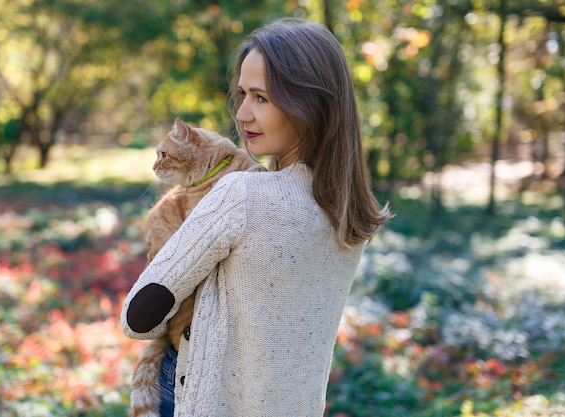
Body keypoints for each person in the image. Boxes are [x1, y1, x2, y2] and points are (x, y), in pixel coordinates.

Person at [121, 18, 391, 417]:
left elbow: (137, 318)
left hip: (198, 398)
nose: (243, 114)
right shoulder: (349, 210)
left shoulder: (241, 195)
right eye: (243, 94)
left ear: (309, 104)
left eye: (261, 98)